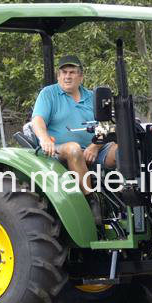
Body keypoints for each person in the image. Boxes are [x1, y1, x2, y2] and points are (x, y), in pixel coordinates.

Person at [30, 55, 117, 224]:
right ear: (58, 75)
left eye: (72, 72)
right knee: (74, 148)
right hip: (58, 150)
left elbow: (106, 124)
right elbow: (38, 120)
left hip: (94, 148)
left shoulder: (92, 96)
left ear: (81, 77)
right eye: (63, 72)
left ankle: (127, 197)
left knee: (123, 150)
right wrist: (44, 138)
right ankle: (92, 202)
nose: (67, 76)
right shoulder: (49, 94)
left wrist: (95, 146)